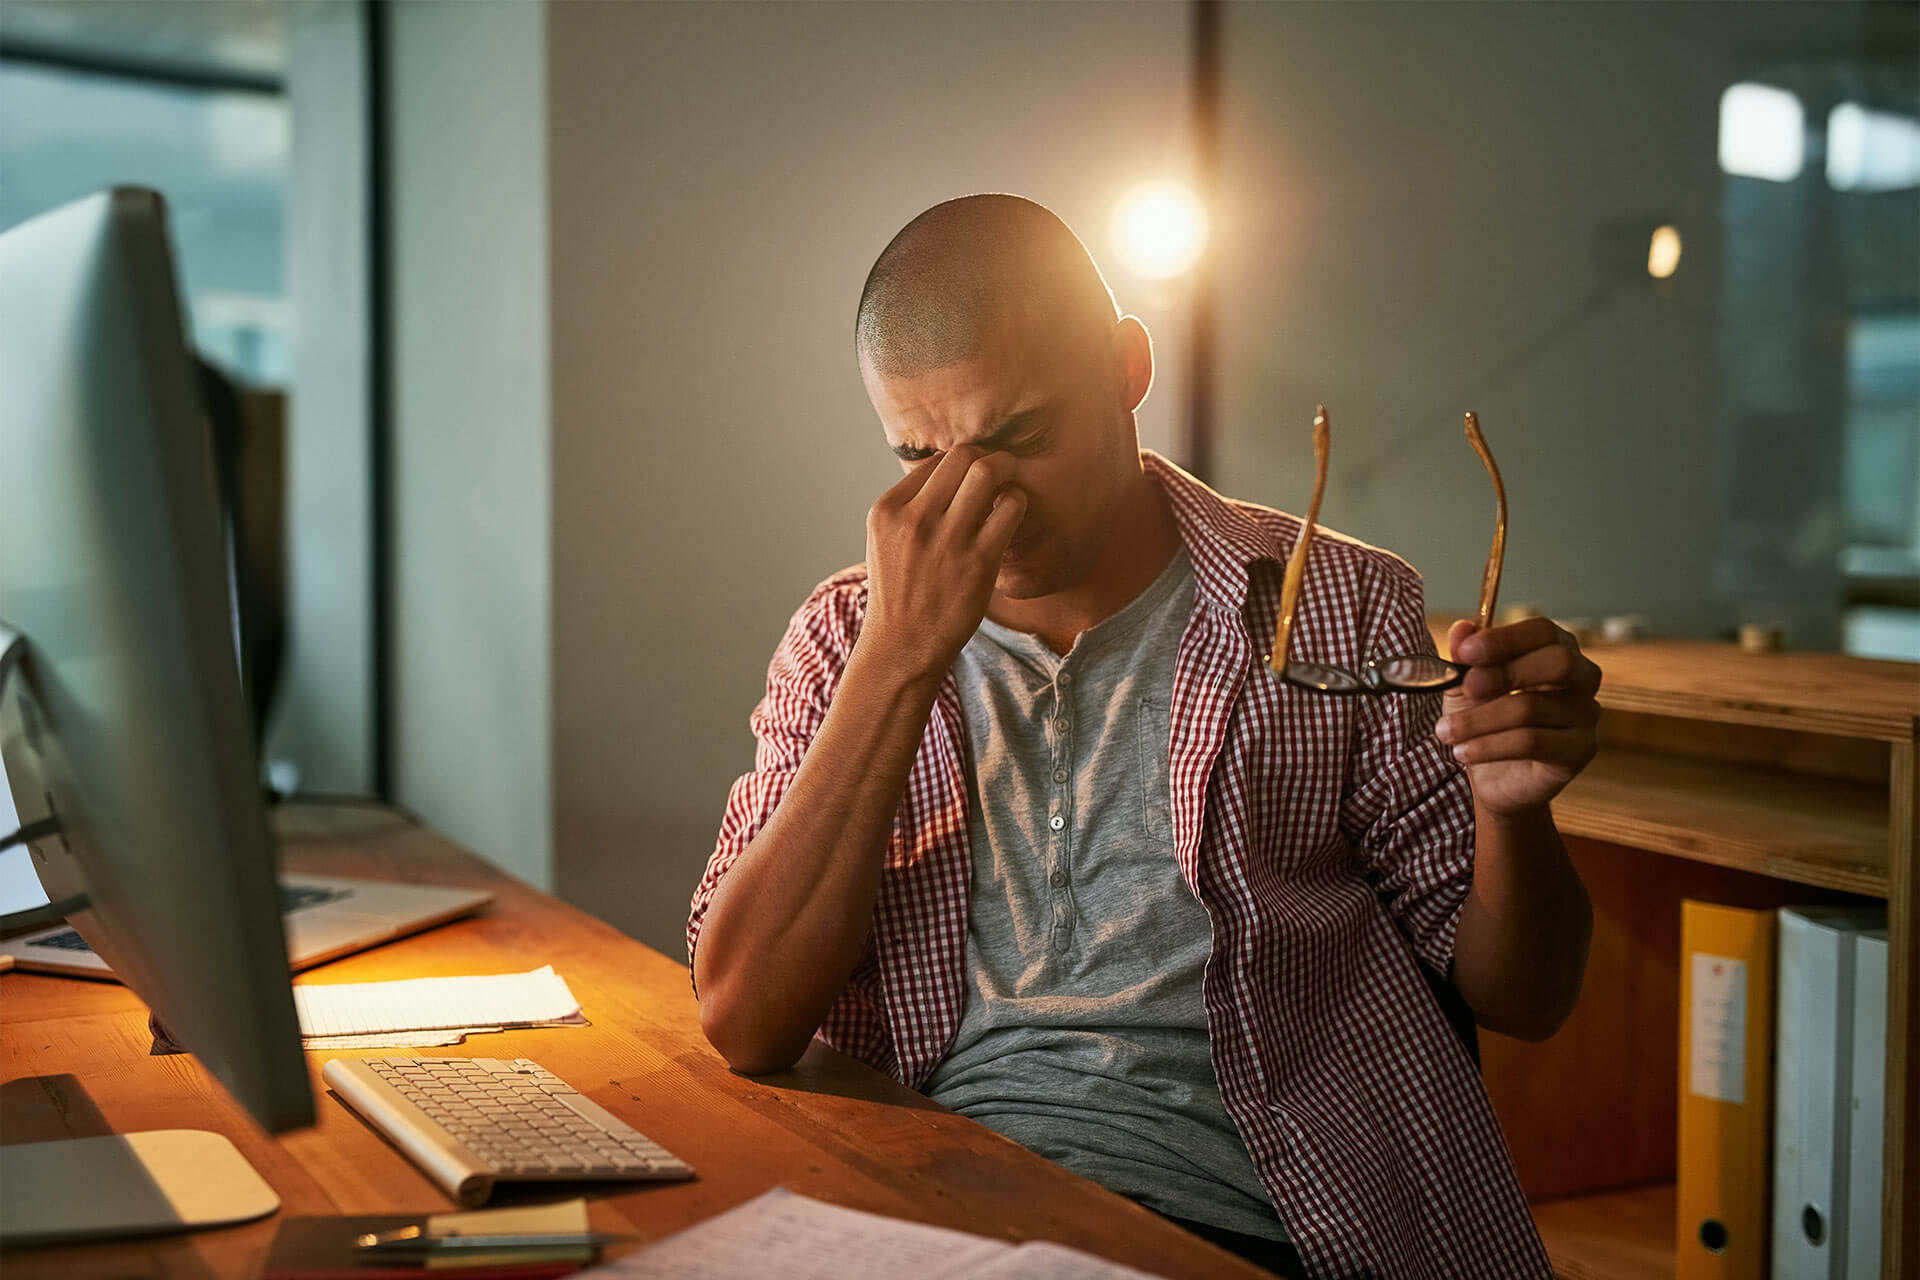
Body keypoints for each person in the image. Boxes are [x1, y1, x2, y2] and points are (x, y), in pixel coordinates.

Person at [689, 194, 1599, 1280]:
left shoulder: (1337, 603)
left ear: (1128, 367)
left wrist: (1514, 809)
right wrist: (898, 662)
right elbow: (744, 1015)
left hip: (1258, 1217)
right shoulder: (847, 635)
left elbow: (1526, 993)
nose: (984, 501)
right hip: (933, 1201)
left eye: (1020, 436)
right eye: (919, 457)